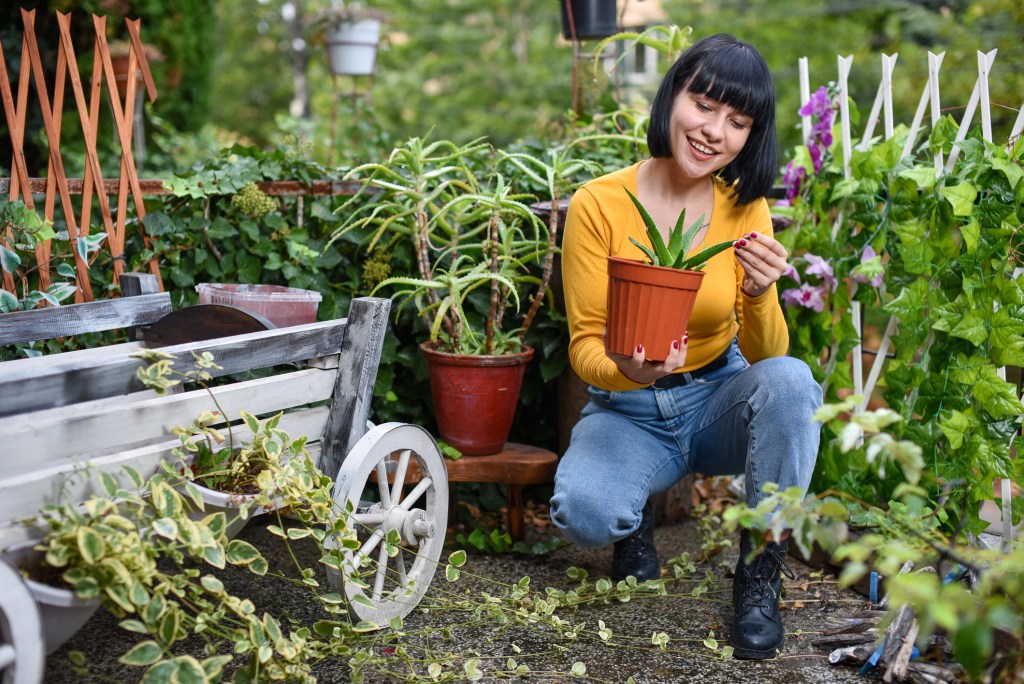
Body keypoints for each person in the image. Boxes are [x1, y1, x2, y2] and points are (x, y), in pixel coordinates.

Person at [549, 34, 823, 660]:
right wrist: (631, 369)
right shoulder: (600, 203)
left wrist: (758, 295)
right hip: (629, 410)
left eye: (737, 120)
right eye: (703, 104)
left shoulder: (744, 206)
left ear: (751, 136)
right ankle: (634, 518)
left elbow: (769, 357)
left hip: (718, 395)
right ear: (672, 95)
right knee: (584, 516)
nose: (713, 131)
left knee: (793, 381)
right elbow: (585, 345)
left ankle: (759, 571)